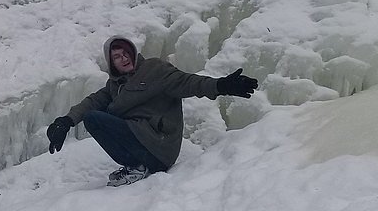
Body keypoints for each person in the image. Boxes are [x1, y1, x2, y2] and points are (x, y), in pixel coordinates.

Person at [45, 36, 258, 186]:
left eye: (126, 53)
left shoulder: (155, 69)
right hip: (142, 142)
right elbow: (93, 101)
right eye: (117, 57)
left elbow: (188, 82)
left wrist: (221, 85)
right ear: (112, 63)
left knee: (95, 118)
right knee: (92, 116)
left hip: (158, 144)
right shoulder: (115, 85)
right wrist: (65, 121)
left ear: (133, 52)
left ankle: (139, 166)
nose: (124, 58)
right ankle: (137, 165)